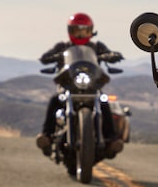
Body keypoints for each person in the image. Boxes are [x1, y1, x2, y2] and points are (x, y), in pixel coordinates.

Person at [35, 12, 125, 157]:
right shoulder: (63, 46)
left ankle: (111, 140)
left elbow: (110, 53)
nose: (81, 34)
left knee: (104, 103)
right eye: (77, 30)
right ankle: (46, 136)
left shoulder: (96, 47)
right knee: (54, 100)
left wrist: (112, 56)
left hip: (91, 88)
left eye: (85, 30)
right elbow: (45, 58)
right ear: (70, 31)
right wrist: (53, 57)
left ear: (91, 31)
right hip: (69, 88)